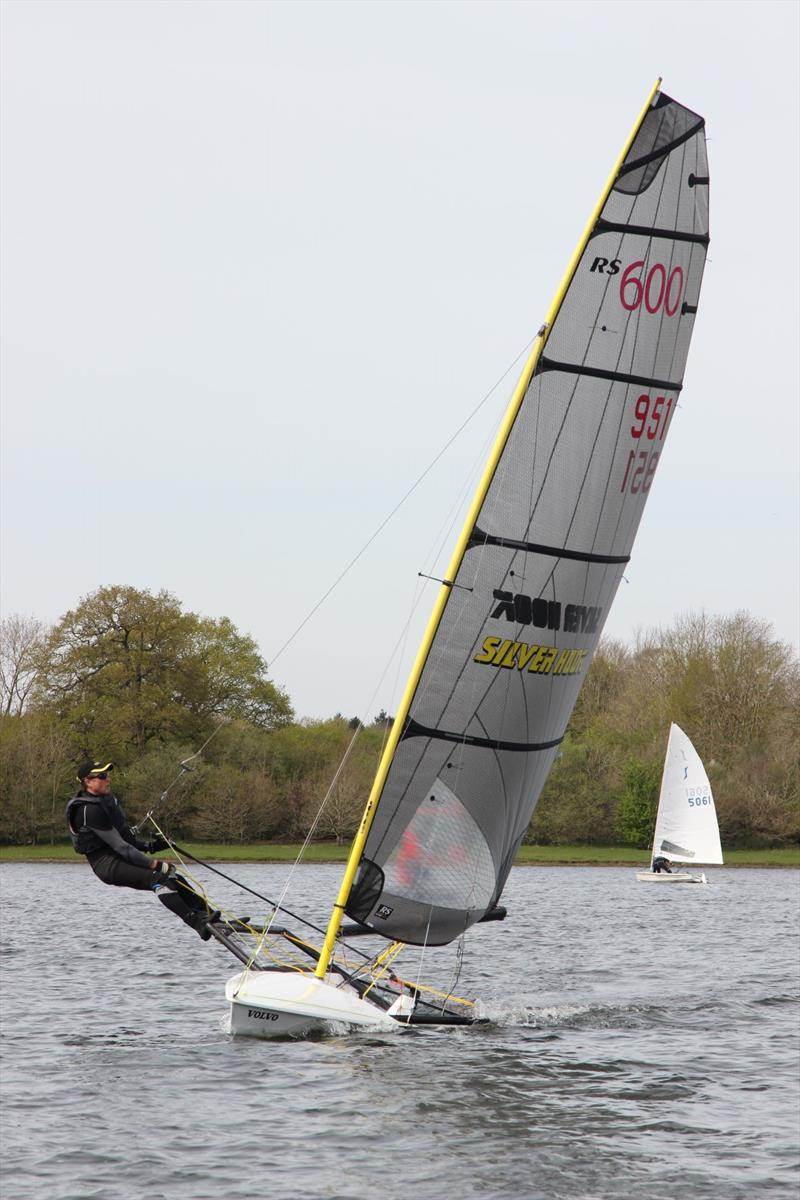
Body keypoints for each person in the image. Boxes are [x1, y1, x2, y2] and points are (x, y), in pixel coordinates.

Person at [66, 760, 217, 939]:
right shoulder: (87, 811)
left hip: (119, 857)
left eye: (107, 775)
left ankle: (211, 918)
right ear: (88, 781)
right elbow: (120, 846)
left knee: (175, 876)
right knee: (160, 879)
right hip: (107, 865)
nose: (108, 779)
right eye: (102, 776)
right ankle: (198, 925)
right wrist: (154, 864)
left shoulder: (107, 802)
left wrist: (151, 846)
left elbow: (127, 839)